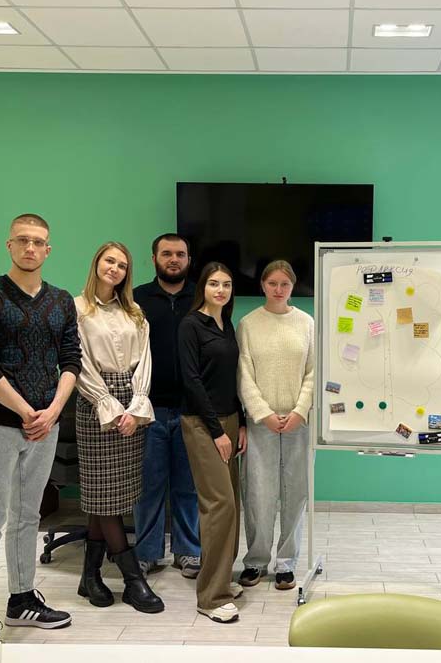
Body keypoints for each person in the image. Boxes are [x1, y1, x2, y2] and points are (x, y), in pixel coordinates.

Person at [0, 214, 82, 641]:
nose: (31, 248)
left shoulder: (61, 300)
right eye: (23, 240)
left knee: (28, 516)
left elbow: (71, 358)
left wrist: (52, 411)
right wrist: (26, 410)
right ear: (9, 245)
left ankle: (22, 599)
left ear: (48, 249)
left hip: (45, 426)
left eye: (38, 242)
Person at [74, 242, 163, 613]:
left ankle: (89, 576)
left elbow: (145, 360)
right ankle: (132, 580)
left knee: (107, 496)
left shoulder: (134, 311)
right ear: (96, 263)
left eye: (122, 265)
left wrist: (137, 404)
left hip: (131, 402)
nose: (115, 268)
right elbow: (78, 361)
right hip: (97, 401)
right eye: (109, 261)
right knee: (105, 496)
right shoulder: (77, 308)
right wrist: (107, 404)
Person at [236, 260, 315, 591]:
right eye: (272, 283)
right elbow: (244, 373)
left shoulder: (307, 323)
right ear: (263, 286)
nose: (278, 289)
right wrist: (262, 412)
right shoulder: (248, 324)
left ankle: (286, 562)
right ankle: (255, 560)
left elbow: (313, 371)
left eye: (285, 284)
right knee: (258, 494)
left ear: (293, 286)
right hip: (261, 422)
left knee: (296, 492)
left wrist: (300, 410)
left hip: (299, 421)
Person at [179, 262, 247, 623]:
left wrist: (241, 424)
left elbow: (231, 379)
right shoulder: (191, 325)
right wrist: (217, 431)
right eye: (214, 284)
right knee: (219, 504)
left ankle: (222, 578)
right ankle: (210, 597)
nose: (221, 290)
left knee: (232, 502)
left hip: (230, 420)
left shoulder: (226, 325)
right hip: (202, 424)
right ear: (202, 287)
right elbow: (191, 380)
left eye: (227, 284)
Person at [132, 233, 201, 579]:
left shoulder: (201, 297)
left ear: (189, 259)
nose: (174, 259)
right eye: (167, 254)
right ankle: (147, 553)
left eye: (180, 254)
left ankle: (188, 552)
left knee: (188, 487)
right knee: (149, 486)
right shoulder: (136, 299)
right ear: (154, 258)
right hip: (149, 409)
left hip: (191, 409)